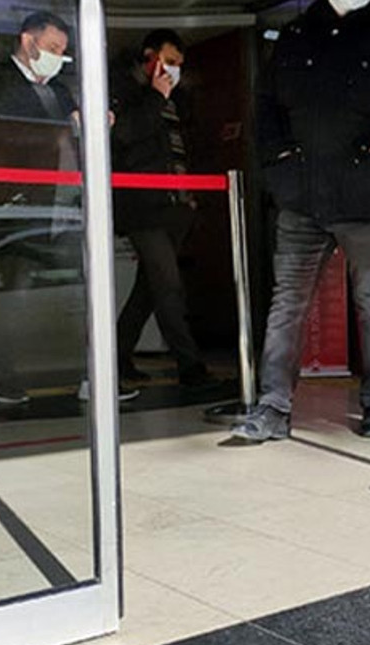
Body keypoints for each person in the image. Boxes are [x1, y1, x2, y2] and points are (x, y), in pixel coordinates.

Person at [235, 0, 370, 441]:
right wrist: (278, 162)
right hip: (301, 196)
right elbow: (266, 107)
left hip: (365, 197)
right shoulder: (295, 35)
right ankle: (272, 407)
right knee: (287, 302)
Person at [0, 11, 137, 404]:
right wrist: (65, 128)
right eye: (53, 48)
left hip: (66, 205)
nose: (58, 57)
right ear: (28, 42)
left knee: (79, 292)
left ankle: (91, 376)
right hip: (24, 208)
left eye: (63, 51)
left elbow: (70, 139)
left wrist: (91, 124)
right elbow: (5, 140)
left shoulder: (57, 91)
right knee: (17, 295)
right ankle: (1, 374)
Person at [111, 29, 214, 388]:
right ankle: (190, 366)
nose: (173, 71)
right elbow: (122, 136)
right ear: (149, 56)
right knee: (168, 285)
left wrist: (189, 193)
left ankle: (117, 357)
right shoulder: (123, 89)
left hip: (176, 206)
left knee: (150, 289)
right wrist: (156, 97)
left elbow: (180, 148)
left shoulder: (177, 97)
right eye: (168, 62)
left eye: (179, 65)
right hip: (142, 207)